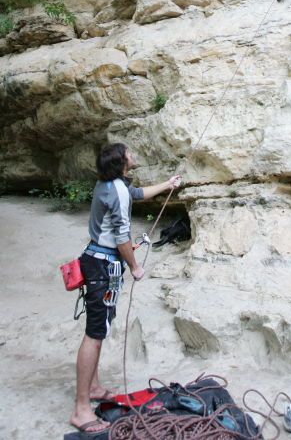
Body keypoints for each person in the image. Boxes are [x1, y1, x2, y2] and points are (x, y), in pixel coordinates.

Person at [69, 143, 182, 434]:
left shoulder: (110, 184)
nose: (133, 153)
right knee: (94, 335)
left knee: (100, 327)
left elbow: (137, 194)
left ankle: (92, 388)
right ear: (122, 162)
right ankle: (81, 410)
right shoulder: (116, 189)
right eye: (129, 152)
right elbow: (121, 237)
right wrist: (135, 266)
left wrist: (168, 184)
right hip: (103, 266)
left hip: (96, 260)